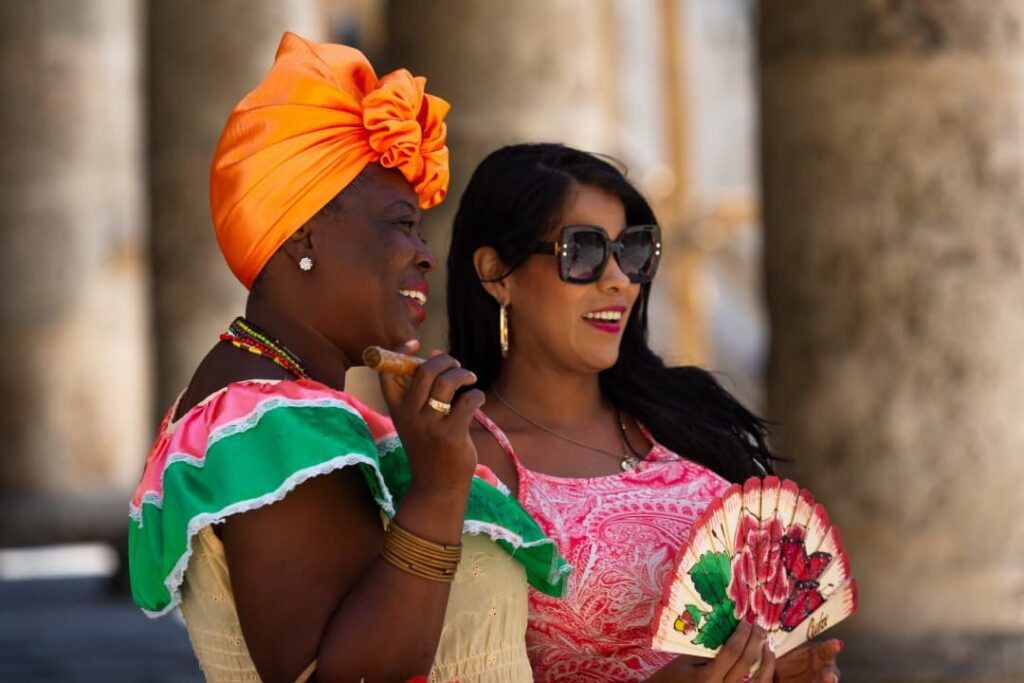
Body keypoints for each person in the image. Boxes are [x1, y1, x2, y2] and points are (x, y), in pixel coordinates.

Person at [128, 35, 566, 683]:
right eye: (398, 223)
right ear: (303, 234)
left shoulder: (274, 402)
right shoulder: (274, 420)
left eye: (420, 229)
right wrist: (440, 489)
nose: (424, 253)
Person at [446, 143, 843, 682]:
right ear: (497, 274)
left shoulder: (686, 414)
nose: (619, 279)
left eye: (633, 250)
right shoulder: (467, 459)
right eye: (581, 251)